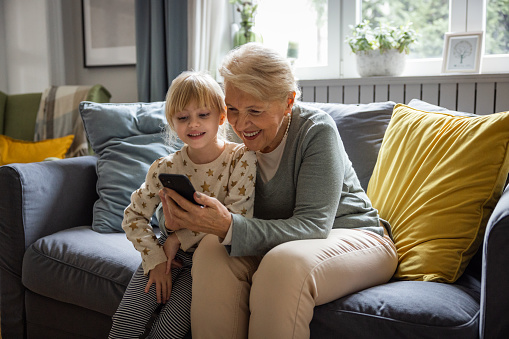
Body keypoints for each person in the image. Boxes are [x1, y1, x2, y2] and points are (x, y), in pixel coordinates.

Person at [158, 43, 398, 339]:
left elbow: (313, 225)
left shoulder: (315, 130)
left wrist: (229, 226)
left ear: (288, 102)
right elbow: (187, 191)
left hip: (353, 235)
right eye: (231, 109)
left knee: (282, 265)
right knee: (211, 249)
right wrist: (174, 221)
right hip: (278, 244)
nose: (241, 124)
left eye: (255, 111)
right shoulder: (228, 141)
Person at [109, 71, 257, 339]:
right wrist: (154, 259)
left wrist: (180, 236)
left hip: (210, 261)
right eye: (183, 117)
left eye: (203, 115)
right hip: (164, 255)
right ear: (172, 121)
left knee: (167, 333)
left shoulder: (241, 159)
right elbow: (133, 216)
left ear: (221, 116)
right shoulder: (164, 168)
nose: (193, 124)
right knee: (124, 327)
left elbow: (238, 219)